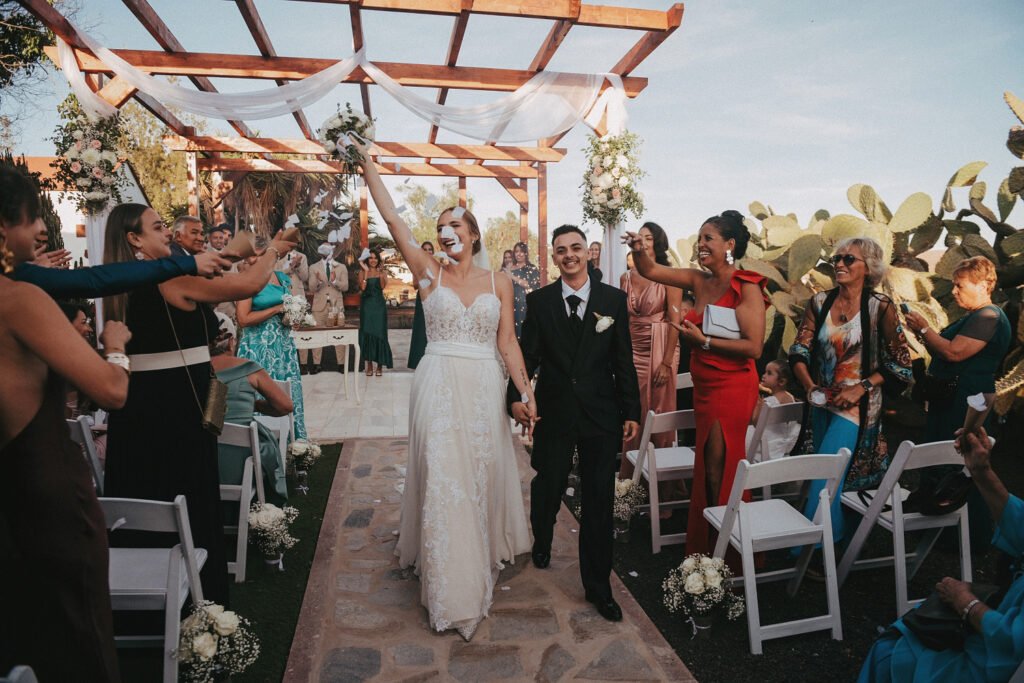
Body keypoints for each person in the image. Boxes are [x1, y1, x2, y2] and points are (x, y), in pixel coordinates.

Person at [354, 140, 533, 641]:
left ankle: (475, 550)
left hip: (483, 385)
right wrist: (367, 166)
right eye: (440, 228)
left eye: (455, 226)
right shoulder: (427, 272)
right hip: (438, 381)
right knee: (444, 473)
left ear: (474, 235)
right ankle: (449, 581)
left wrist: (524, 388)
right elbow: (392, 221)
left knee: (479, 469)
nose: (445, 233)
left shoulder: (500, 281)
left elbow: (509, 342)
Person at [102, 203, 296, 605]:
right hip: (177, 407)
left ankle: (143, 600)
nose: (167, 235)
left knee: (147, 491)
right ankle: (196, 603)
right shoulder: (168, 280)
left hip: (143, 407)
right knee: (187, 495)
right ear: (134, 239)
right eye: (158, 229)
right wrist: (275, 249)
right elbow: (246, 287)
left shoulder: (122, 285)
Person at [0, 168, 132, 680]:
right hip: (50, 502)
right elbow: (110, 392)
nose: (41, 230)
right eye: (33, 217)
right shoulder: (20, 301)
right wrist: (116, 349)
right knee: (81, 642)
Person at [509, 224, 640, 622]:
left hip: (601, 414)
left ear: (587, 253)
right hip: (555, 410)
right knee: (548, 483)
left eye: (576, 248)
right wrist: (515, 398)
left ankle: (599, 587)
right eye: (561, 249)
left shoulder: (613, 300)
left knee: (599, 501)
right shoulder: (541, 300)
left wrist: (631, 410)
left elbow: (623, 360)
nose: (569, 255)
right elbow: (527, 356)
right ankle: (543, 537)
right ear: (554, 256)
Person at [625, 210, 768, 559]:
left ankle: (726, 554)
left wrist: (703, 342)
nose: (701, 245)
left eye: (709, 239)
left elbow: (754, 347)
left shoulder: (745, 285)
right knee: (707, 463)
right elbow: (651, 270)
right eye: (700, 238)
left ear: (730, 245)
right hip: (706, 390)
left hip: (732, 387)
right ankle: (706, 547)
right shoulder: (698, 280)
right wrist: (640, 247)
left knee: (719, 463)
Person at [858, 426, 1024, 683]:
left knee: (889, 653)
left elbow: (1012, 639)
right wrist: (981, 470)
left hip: (996, 664)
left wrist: (966, 602)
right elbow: (1019, 522)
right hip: (999, 628)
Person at [789, 237, 912, 543]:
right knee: (825, 475)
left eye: (848, 260)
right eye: (837, 259)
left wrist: (861, 388)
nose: (839, 264)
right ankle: (834, 539)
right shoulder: (819, 303)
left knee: (825, 479)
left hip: (855, 410)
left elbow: (901, 363)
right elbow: (798, 350)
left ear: (868, 268)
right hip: (819, 403)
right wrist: (810, 386)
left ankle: (816, 551)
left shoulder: (879, 308)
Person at [904, 255, 1011, 546]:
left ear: (983, 284)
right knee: (945, 458)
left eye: (959, 284)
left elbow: (954, 353)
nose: (953, 291)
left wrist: (924, 329)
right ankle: (938, 525)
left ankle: (965, 535)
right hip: (953, 397)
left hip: (966, 400)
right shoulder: (976, 315)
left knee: (957, 459)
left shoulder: (988, 316)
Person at [617, 222, 682, 501]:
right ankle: (630, 492)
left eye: (648, 237)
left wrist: (666, 363)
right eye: (639, 236)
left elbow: (675, 320)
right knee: (632, 415)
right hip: (633, 349)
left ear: (657, 243)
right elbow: (623, 318)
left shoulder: (670, 276)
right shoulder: (626, 277)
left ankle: (664, 493)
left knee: (658, 415)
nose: (642, 241)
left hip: (662, 348)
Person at [211, 316, 292, 504]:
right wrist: (253, 403)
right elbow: (285, 406)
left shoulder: (195, 370)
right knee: (266, 448)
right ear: (232, 341)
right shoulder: (248, 368)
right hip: (242, 460)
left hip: (204, 457)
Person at [236, 241, 308, 441]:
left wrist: (295, 316)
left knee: (287, 394)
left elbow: (288, 308)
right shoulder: (247, 281)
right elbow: (243, 319)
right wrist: (276, 310)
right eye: (252, 256)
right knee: (263, 396)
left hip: (283, 347)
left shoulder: (282, 278)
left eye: (260, 255)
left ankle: (294, 445)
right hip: (258, 348)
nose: (256, 260)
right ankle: (262, 445)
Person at [305, 242, 349, 374]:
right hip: (319, 305)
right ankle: (317, 364)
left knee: (339, 334)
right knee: (317, 334)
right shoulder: (313, 267)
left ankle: (341, 364)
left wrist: (335, 281)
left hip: (336, 305)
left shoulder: (341, 267)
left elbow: (345, 287)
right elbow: (312, 288)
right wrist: (318, 281)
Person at [747, 359, 801, 460]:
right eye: (765, 372)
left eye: (769, 373)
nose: (764, 375)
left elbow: (755, 423)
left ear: (781, 381)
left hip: (765, 449)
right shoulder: (790, 397)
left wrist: (757, 405)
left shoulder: (769, 402)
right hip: (781, 447)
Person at [358, 248, 393, 376]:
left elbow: (383, 286)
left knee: (380, 333)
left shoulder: (382, 272)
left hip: (379, 306)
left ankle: (379, 366)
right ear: (367, 259)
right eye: (371, 258)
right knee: (367, 333)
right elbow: (362, 288)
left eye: (375, 258)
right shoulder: (362, 272)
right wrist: (366, 272)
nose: (373, 260)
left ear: (378, 260)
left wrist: (380, 273)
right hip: (367, 307)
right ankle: (369, 365)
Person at [408, 241, 435, 370]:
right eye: (425, 249)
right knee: (421, 330)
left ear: (433, 252)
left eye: (430, 249)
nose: (428, 251)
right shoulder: (417, 266)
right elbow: (414, 285)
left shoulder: (438, 266)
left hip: (435, 299)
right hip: (422, 299)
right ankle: (418, 362)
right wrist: (423, 274)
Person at [508, 241, 541, 339]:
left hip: (525, 305)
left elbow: (530, 284)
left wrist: (512, 276)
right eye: (516, 251)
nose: (519, 254)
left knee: (524, 333)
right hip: (510, 304)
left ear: (526, 253)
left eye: (521, 251)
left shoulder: (532, 268)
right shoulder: (510, 268)